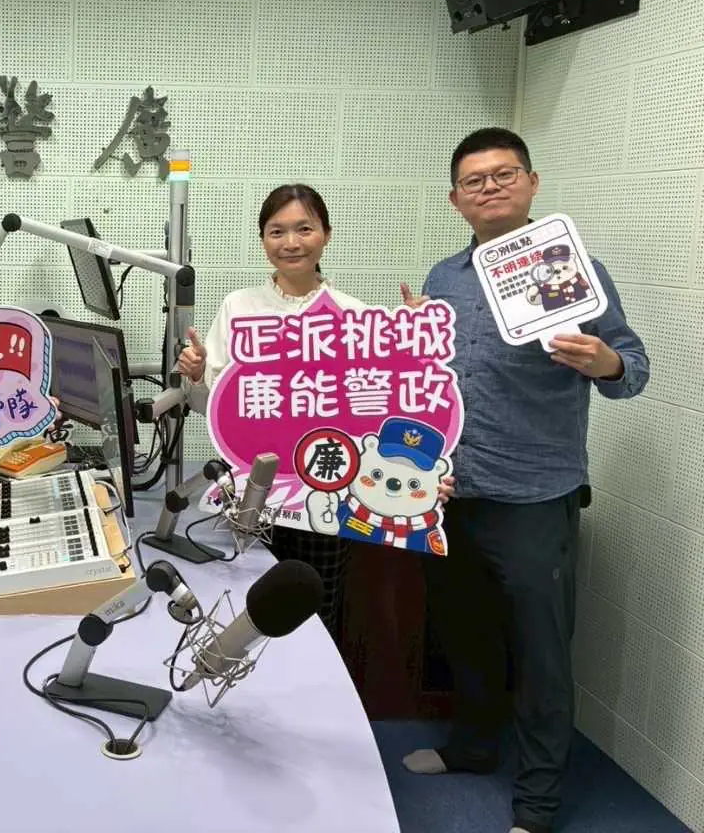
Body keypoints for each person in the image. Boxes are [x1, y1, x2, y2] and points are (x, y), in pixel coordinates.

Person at [400, 128, 649, 833]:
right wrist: (414, 338)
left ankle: (537, 805)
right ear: (456, 199)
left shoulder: (575, 269)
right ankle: (474, 747)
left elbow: (633, 369)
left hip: (536, 493)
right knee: (465, 632)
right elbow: (433, 381)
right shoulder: (444, 277)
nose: (490, 188)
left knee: (541, 653)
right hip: (453, 489)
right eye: (474, 180)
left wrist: (603, 361)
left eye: (504, 174)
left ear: (532, 183)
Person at [178, 185, 382, 632]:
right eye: (277, 231)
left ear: (326, 234)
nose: (291, 243)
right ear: (263, 240)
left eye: (304, 229)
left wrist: (413, 351)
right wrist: (197, 376)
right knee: (244, 606)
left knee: (314, 614)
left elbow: (373, 417)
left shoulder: (355, 316)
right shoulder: (239, 306)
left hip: (322, 493)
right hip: (252, 490)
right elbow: (210, 409)